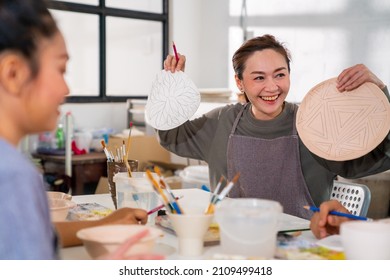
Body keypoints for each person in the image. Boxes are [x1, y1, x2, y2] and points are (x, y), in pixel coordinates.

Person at [159, 34, 390, 219]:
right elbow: (171, 135)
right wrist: (173, 86)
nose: (272, 87)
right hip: (232, 247)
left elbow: (378, 157)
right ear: (239, 82)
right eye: (259, 78)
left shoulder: (315, 121)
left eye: (279, 75)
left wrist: (380, 94)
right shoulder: (222, 122)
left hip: (303, 250)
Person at [0, 0, 162, 260]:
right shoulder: (12, 177)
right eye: (61, 69)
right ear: (13, 74)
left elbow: (38, 235)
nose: (66, 89)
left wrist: (104, 223)